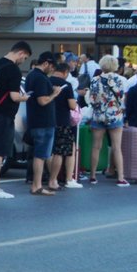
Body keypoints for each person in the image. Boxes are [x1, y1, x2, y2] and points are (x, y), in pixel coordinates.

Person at [0, 41, 31, 199]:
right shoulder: (13, 70)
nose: (23, 61)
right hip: (4, 115)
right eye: (25, 58)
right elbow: (14, 96)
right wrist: (25, 97)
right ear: (21, 53)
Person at [83, 55, 128, 186]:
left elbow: (91, 99)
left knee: (96, 146)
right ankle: (120, 177)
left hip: (98, 115)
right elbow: (122, 98)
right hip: (115, 115)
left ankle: (92, 176)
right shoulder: (120, 79)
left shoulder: (95, 80)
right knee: (116, 147)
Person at [23, 52, 63, 195]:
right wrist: (55, 93)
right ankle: (37, 185)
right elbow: (42, 100)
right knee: (41, 155)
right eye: (51, 67)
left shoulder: (30, 75)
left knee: (38, 154)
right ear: (46, 63)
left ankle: (37, 184)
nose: (52, 70)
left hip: (35, 120)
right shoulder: (40, 78)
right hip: (44, 121)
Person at [48, 59, 81, 190]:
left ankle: (50, 177)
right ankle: (66, 179)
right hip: (62, 121)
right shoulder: (66, 85)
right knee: (63, 151)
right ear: (65, 72)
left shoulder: (47, 81)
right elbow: (72, 105)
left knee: (48, 151)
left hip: (47, 120)